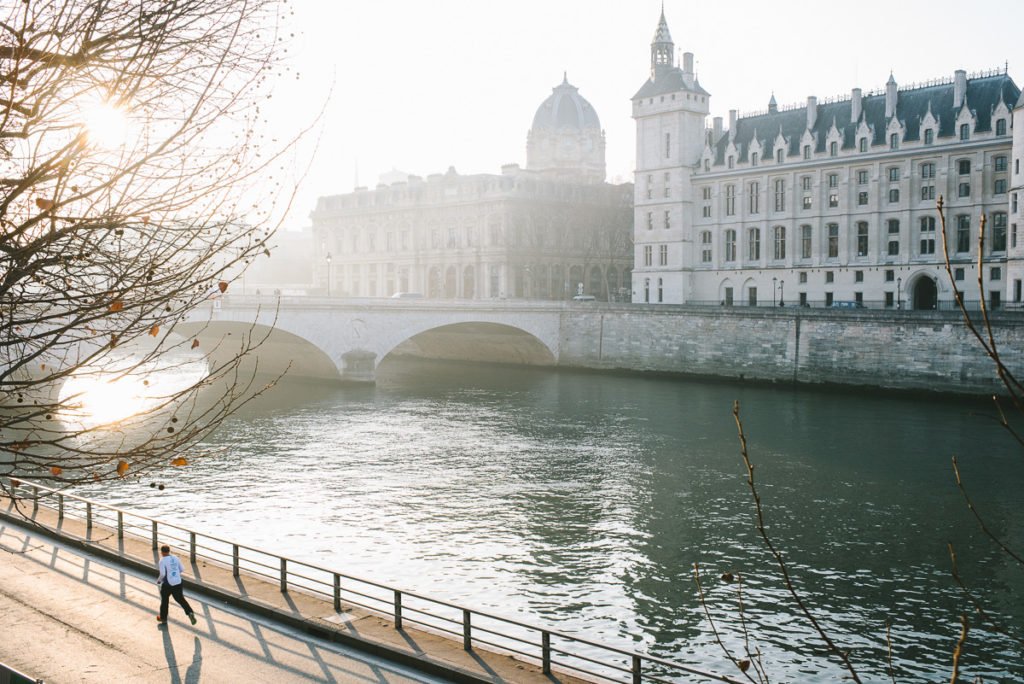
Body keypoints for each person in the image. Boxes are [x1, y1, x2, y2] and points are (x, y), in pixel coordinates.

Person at [156, 544, 197, 625]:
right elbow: (182, 569)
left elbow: (163, 574)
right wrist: (175, 574)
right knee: (180, 599)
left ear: (162, 552)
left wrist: (159, 581)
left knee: (164, 601)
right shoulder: (175, 558)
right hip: (178, 582)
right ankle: (190, 613)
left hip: (168, 584)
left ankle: (163, 618)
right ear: (169, 551)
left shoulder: (162, 560)